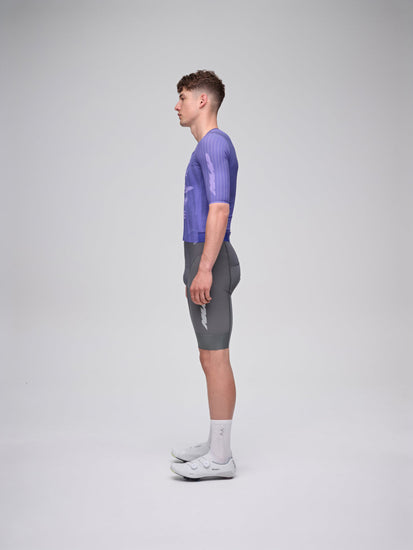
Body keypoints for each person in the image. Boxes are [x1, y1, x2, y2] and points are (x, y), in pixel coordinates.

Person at [170, 70, 241, 480]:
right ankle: (217, 443)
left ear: (201, 100)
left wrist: (204, 268)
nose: (176, 106)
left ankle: (221, 458)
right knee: (208, 356)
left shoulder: (213, 144)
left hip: (208, 258)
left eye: (182, 97)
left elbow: (219, 209)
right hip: (202, 256)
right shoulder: (208, 147)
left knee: (215, 356)